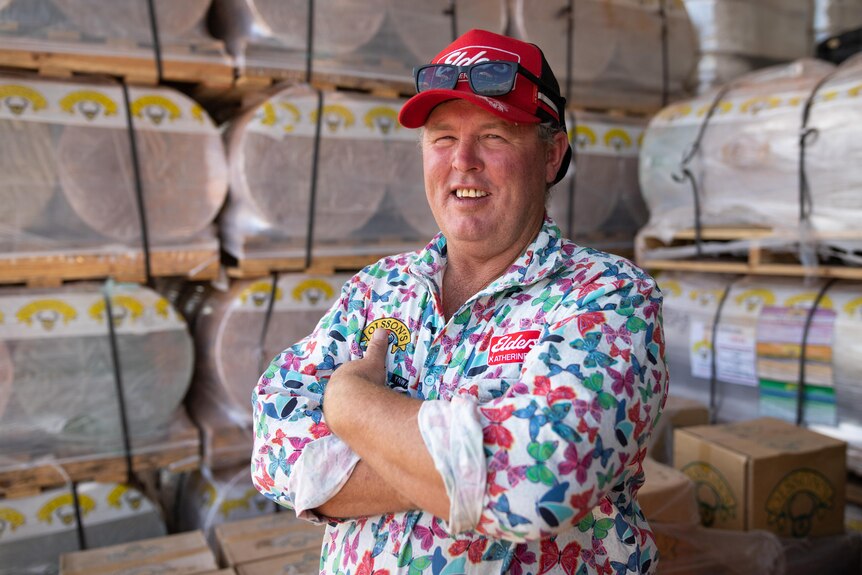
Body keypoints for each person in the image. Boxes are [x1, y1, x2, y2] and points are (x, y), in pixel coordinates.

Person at [252, 28, 668, 575]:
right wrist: (456, 465)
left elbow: (534, 482)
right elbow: (273, 442)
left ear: (552, 154)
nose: (463, 161)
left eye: (495, 135)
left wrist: (350, 404)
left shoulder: (609, 297)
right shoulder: (378, 289)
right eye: (442, 138)